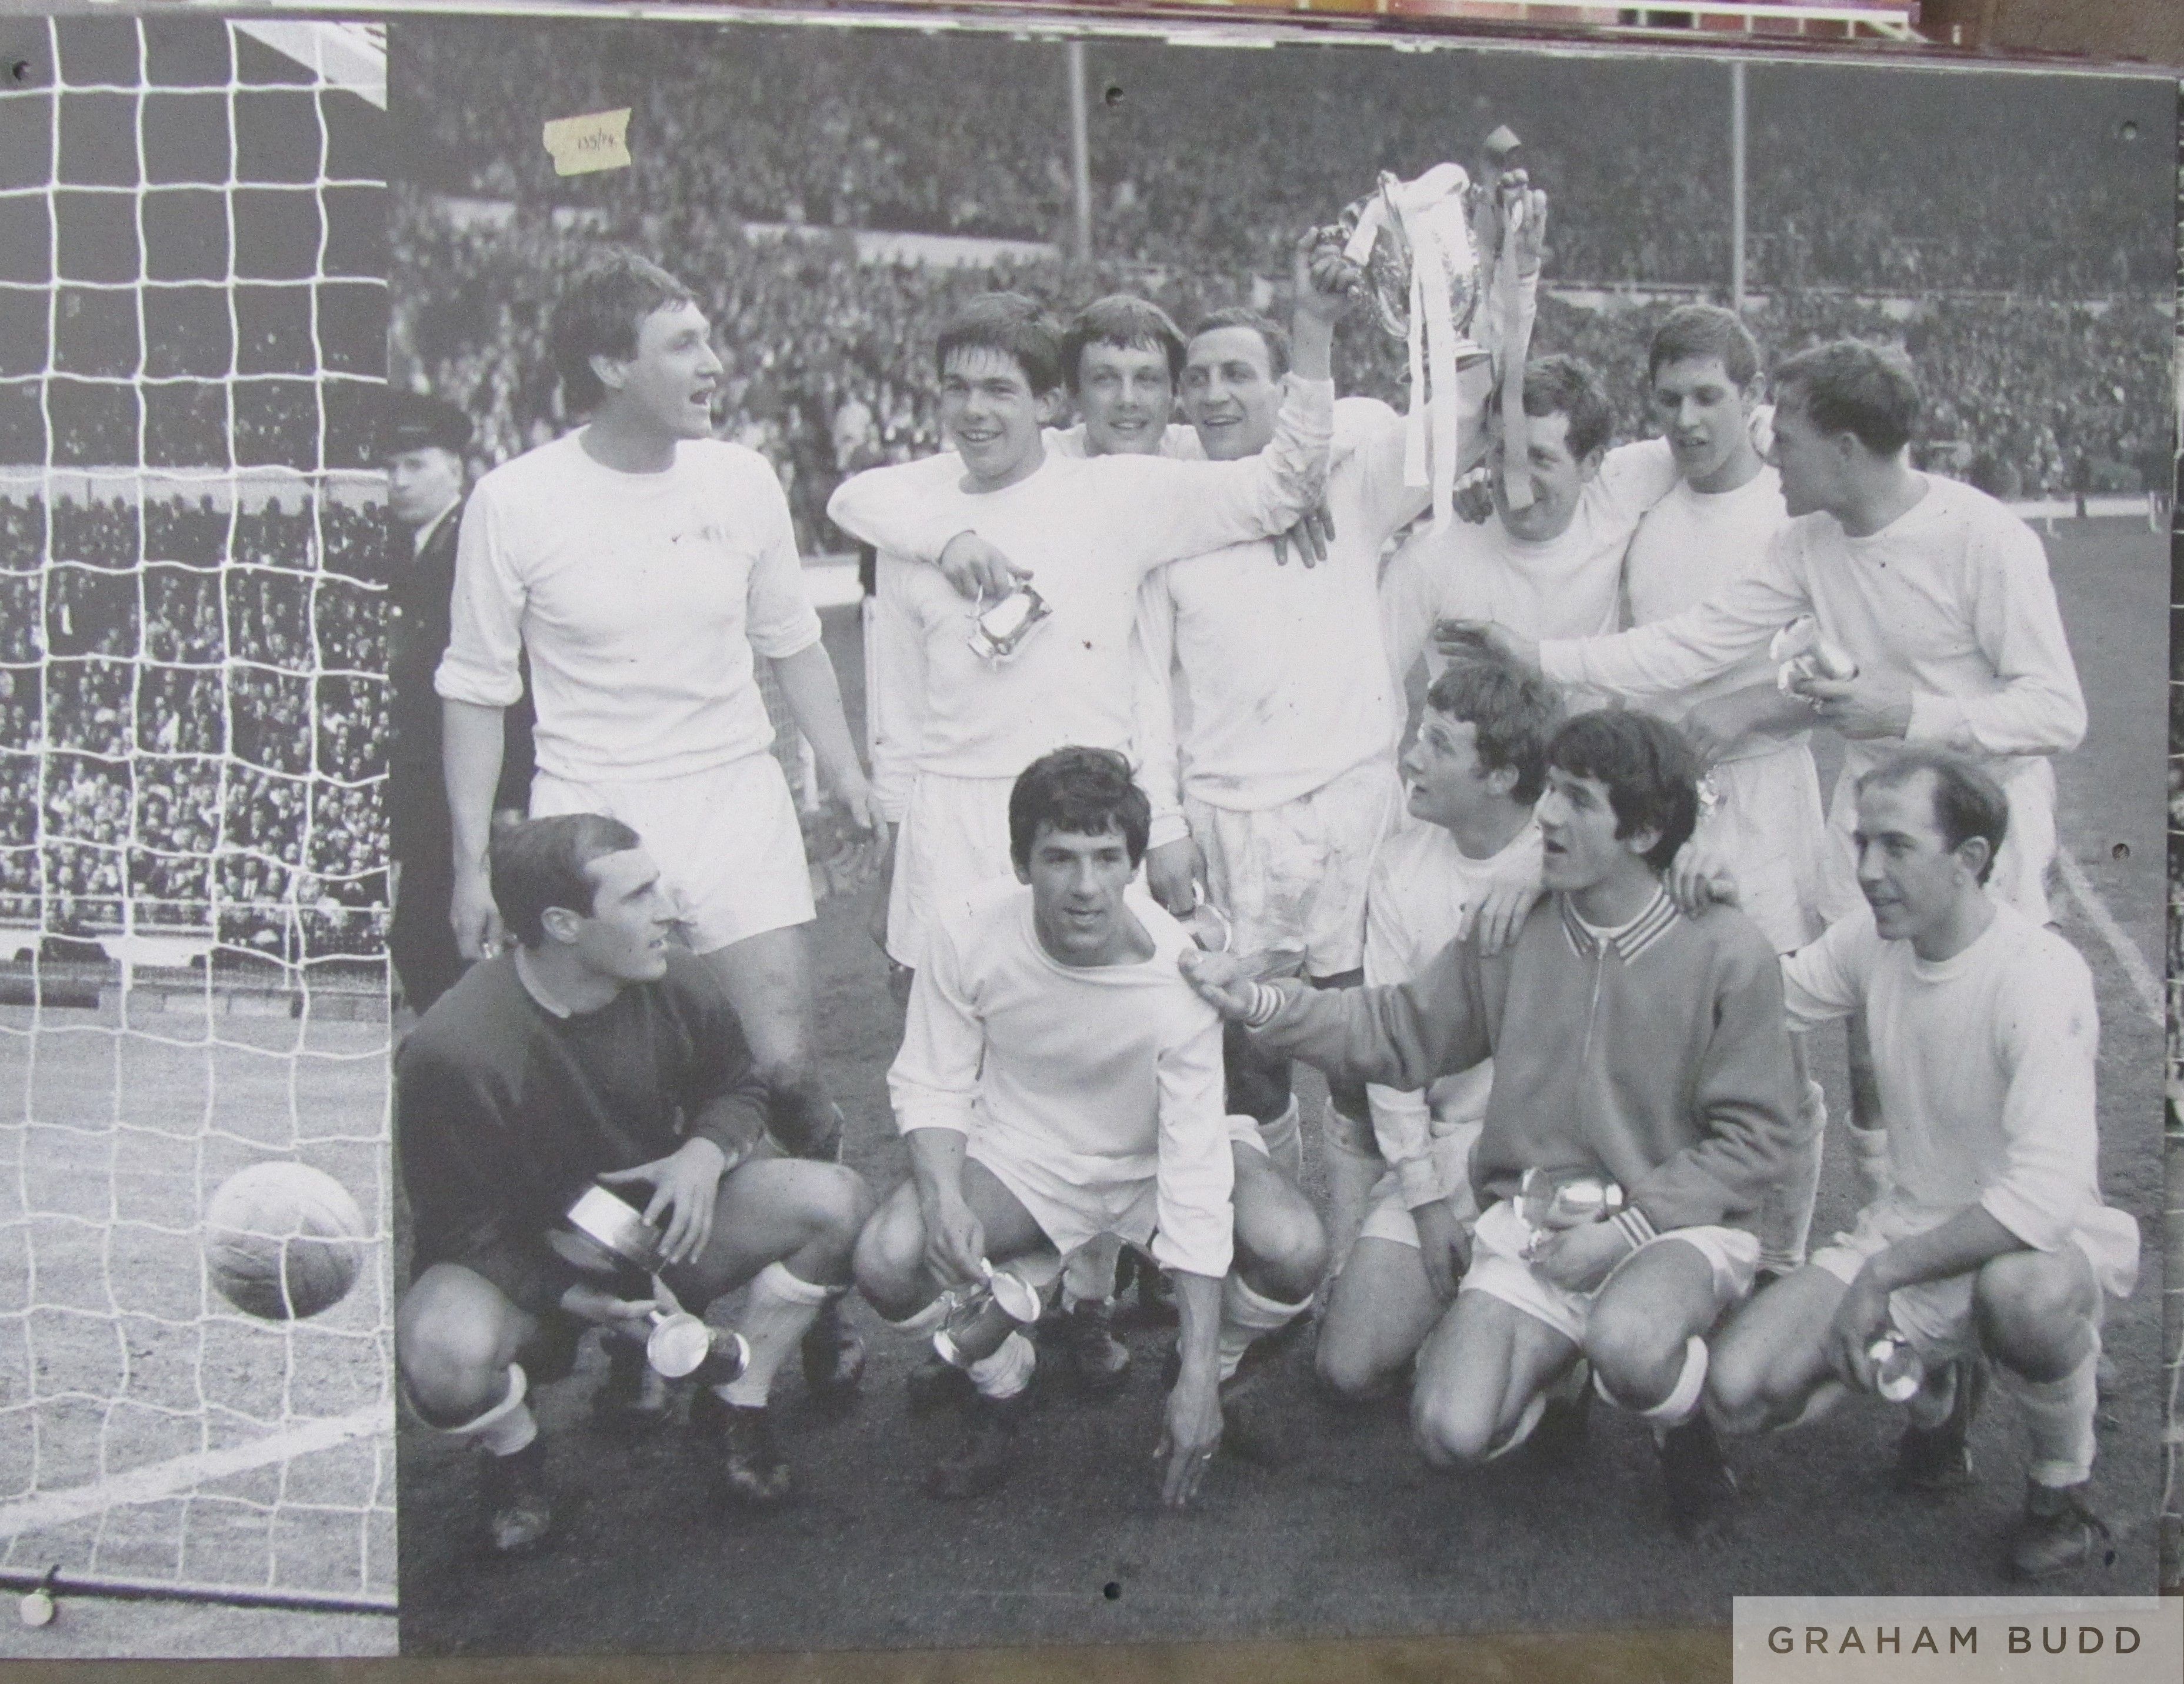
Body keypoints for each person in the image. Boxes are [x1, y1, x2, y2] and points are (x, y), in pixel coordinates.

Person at [1182, 711, 1800, 1539]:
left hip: (1673, 1226)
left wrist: (1626, 1231)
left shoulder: (1729, 949)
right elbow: (1395, 1029)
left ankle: (1679, 1424)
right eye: (1551, 791)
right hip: (1537, 1221)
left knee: (1628, 1342)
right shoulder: (1513, 928)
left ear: (1644, 831)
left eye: (1576, 800)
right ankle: (1561, 1375)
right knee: (1448, 1430)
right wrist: (1260, 1000)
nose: (1546, 815)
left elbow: (1757, 1139)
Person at [435, 251, 879, 1390]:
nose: (713, 363)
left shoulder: (742, 478)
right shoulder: (514, 499)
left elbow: (792, 641)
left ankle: (817, 1284)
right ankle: (649, 1323)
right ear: (606, 365)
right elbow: (475, 688)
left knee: (782, 1068)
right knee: (629, 1095)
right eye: (683, 345)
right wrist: (473, 862)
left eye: (708, 339)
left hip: (733, 796)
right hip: (593, 822)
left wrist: (843, 770)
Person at [1705, 751, 2139, 1580]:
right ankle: (1939, 1389)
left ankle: (2060, 1491)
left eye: (1896, 846)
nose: (1867, 870)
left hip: (2034, 1244)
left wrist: (1881, 1276)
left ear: (1969, 858)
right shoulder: (1872, 940)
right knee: (1739, 1391)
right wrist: (1718, 917)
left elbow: (2043, 1198)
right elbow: (1763, 999)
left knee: (2022, 1297)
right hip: (1909, 1229)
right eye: (1862, 843)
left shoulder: (2038, 974)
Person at [853, 749, 1326, 1502]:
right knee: (888, 1256)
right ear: (1020, 863)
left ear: (1134, 866)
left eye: (1107, 858)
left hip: (1154, 1162)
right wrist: (943, 1200)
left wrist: (1198, 1376)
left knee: (1294, 1248)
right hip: (1024, 1158)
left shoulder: (1177, 975)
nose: (1085, 886)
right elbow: (932, 1080)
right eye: (1059, 858)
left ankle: (1213, 1373)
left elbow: (1194, 1173)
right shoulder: (963, 929)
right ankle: (1004, 1382)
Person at [395, 814, 875, 1551]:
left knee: (835, 1201)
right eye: (638, 895)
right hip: (529, 1262)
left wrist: (703, 1154)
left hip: (654, 1232)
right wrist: (567, 1293)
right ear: (563, 924)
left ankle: (735, 1404)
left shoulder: (673, 975)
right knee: (440, 1352)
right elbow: (458, 1230)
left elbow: (738, 1083)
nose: (669, 910)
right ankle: (516, 1457)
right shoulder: (453, 1048)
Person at [1619, 306, 1834, 1278]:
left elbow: (1849, 670)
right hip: (1662, 811)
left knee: (1773, 1045)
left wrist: (1750, 709)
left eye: (1708, 396)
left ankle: (1779, 1259)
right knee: (1667, 1046)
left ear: (1750, 398)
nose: (1687, 419)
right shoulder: (1646, 511)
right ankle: (1687, 1249)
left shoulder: (1796, 515)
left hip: (1766, 803)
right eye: (1668, 399)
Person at [1313, 659, 1556, 1403]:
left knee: (1464, 1407)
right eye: (1419, 734)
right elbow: (1392, 1048)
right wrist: (1423, 1200)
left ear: (1500, 777)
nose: (1411, 758)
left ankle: (1548, 1361)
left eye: (1438, 744)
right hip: (1449, 1155)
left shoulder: (1572, 855)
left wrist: (1543, 864)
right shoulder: (1399, 866)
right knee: (1346, 1368)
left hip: (1555, 1163)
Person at [1378, 354, 1680, 705]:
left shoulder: (1615, 490)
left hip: (1582, 741)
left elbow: (1714, 436)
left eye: (1539, 458)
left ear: (1591, 464)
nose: (1515, 478)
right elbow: (1373, 688)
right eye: (1503, 453)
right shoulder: (1431, 555)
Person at [382, 390, 532, 1015]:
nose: (397, 481)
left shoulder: (473, 544)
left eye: (414, 464)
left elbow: (509, 683)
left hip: (473, 792)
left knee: (447, 947)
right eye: (388, 467)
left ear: (455, 467)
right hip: (426, 792)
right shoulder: (406, 550)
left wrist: (509, 800)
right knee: (425, 946)